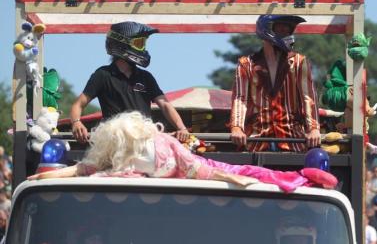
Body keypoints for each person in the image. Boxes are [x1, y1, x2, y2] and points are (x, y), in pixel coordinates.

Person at [29, 112, 337, 193]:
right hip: (197, 169)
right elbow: (83, 169)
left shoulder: (162, 146)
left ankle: (304, 177)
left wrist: (225, 176)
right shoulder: (119, 164)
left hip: (200, 165)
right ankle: (301, 177)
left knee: (255, 174)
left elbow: (195, 168)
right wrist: (44, 177)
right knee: (253, 175)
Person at [70, 21, 189, 144]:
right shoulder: (103, 74)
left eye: (143, 44)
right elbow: (77, 105)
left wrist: (182, 128)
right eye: (139, 44)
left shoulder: (146, 77)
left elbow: (165, 105)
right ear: (122, 44)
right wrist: (76, 122)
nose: (143, 49)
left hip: (143, 142)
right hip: (114, 142)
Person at [230, 15, 321, 152]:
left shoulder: (299, 62)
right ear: (267, 30)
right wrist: (236, 127)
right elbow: (240, 98)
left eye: (288, 29)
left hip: (292, 139)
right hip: (257, 139)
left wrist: (313, 128)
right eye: (281, 28)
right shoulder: (246, 64)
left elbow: (308, 98)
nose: (286, 32)